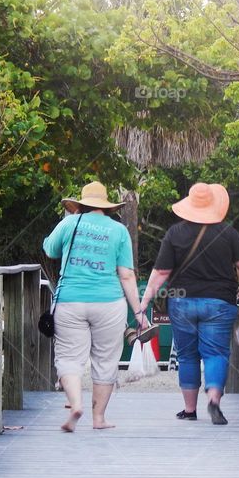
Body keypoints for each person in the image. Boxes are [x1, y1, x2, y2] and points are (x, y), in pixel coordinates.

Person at [139, 182, 239, 425]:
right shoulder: (229, 233)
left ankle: (190, 410)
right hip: (219, 301)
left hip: (182, 302)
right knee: (215, 353)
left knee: (187, 355)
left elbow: (160, 272)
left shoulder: (175, 233)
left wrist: (144, 301)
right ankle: (214, 398)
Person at [43, 181, 149, 432]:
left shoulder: (69, 222)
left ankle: (76, 404)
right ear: (106, 207)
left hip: (70, 300)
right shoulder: (119, 230)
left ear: (81, 204)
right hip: (109, 303)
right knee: (106, 360)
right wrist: (138, 312)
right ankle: (99, 418)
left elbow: (50, 250)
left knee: (69, 357)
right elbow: (126, 275)